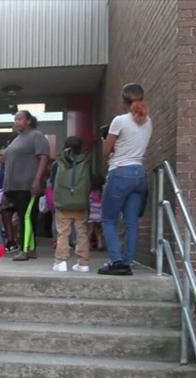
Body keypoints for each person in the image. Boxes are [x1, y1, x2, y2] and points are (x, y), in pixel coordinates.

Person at [99, 83, 153, 276]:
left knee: (108, 219)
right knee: (131, 222)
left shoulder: (119, 121)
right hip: (139, 174)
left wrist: (105, 139)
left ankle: (117, 261)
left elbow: (107, 151)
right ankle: (128, 261)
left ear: (124, 100)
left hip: (120, 172)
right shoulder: (148, 121)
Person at [1, 110, 50, 261]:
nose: (16, 122)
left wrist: (37, 180)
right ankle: (30, 249)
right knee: (21, 218)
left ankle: (25, 249)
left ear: (28, 121)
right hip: (14, 186)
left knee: (26, 218)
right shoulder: (17, 139)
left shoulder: (36, 136)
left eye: (19, 119)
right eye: (15, 119)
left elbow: (43, 158)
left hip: (27, 185)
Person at [51, 136, 93, 273]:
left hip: (63, 203)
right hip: (81, 203)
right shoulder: (86, 162)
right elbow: (91, 180)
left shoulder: (58, 163)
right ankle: (83, 263)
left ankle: (61, 261)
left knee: (63, 232)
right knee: (82, 232)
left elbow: (52, 182)